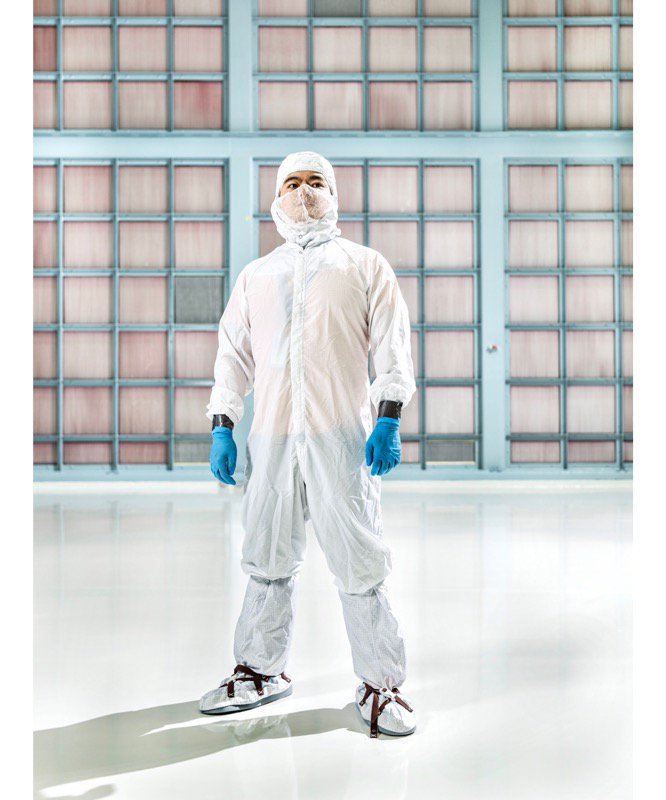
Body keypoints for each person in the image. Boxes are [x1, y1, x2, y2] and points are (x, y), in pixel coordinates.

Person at [200, 151, 417, 738]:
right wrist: (223, 424)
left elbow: (393, 349)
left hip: (341, 437)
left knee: (360, 562)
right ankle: (260, 671)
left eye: (315, 182)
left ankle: (380, 684)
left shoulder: (364, 266)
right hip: (271, 438)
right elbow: (233, 357)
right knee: (267, 558)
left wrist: (388, 416)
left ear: (334, 193)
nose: (303, 192)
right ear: (275, 196)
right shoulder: (257, 276)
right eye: (292, 182)